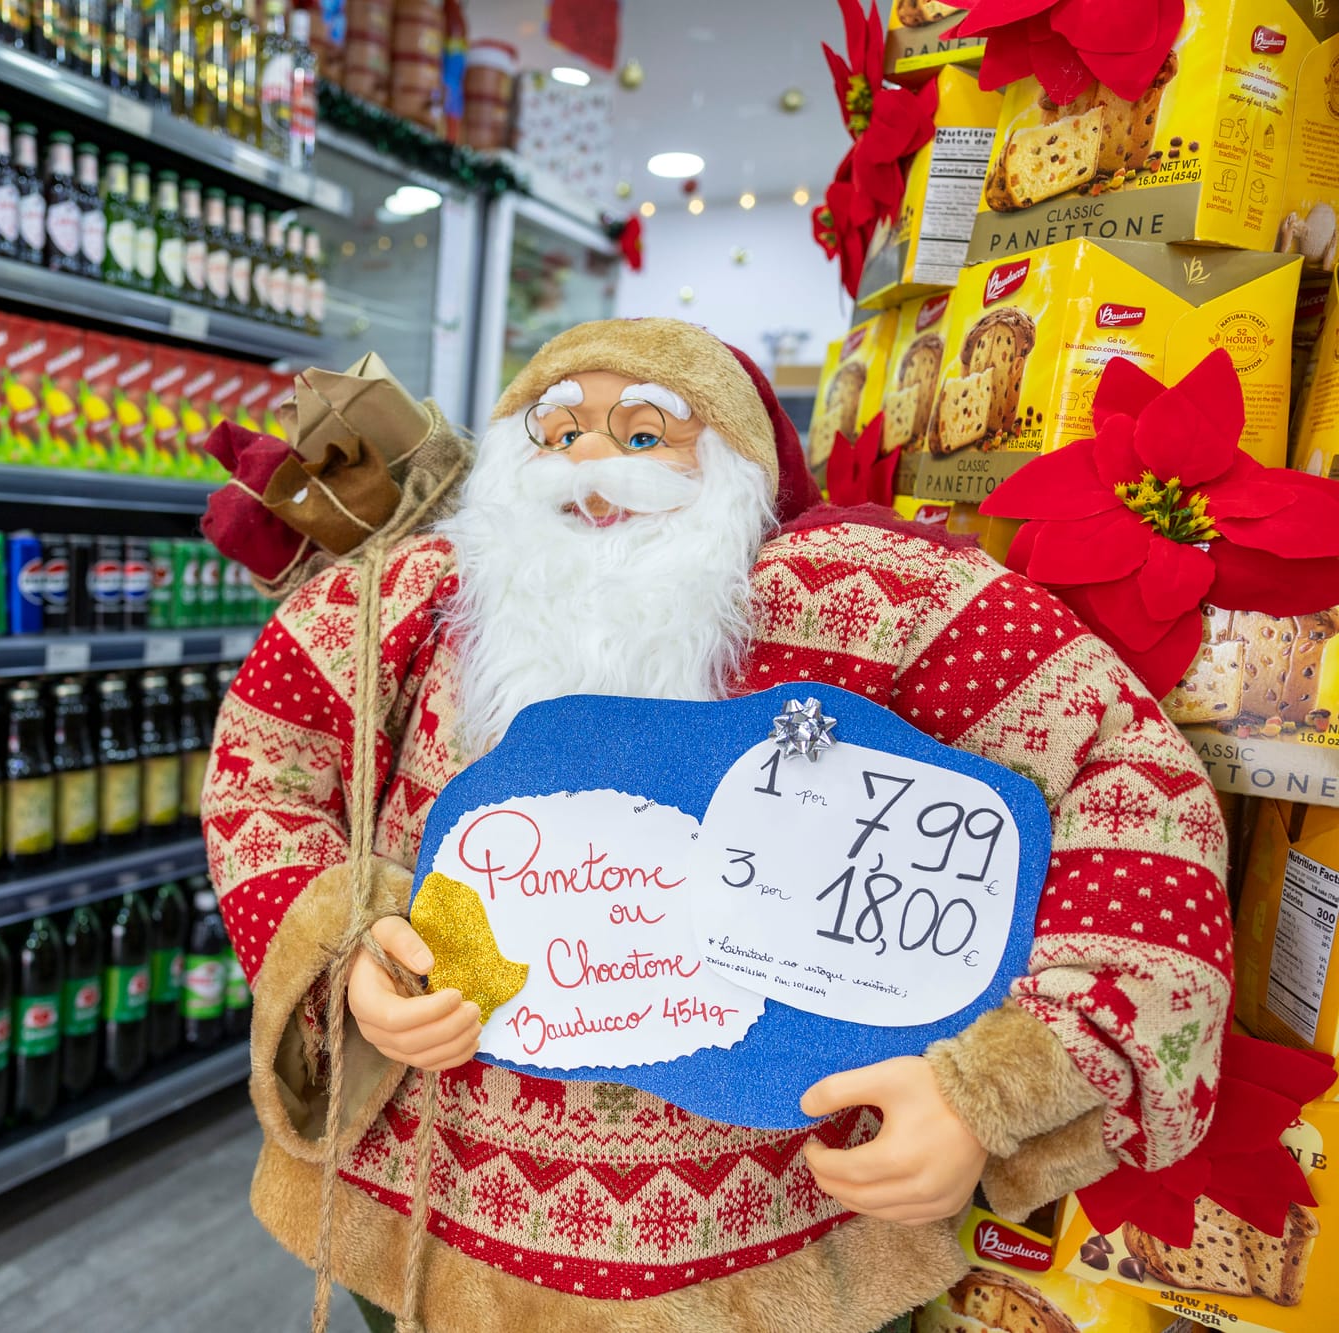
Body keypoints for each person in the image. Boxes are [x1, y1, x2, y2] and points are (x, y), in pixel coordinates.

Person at [200, 319, 1229, 1333]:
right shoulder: (413, 601)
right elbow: (265, 761)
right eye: (553, 436)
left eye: (643, 434)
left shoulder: (874, 604)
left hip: (774, 1233)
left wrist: (994, 1085)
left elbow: (1128, 785)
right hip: (429, 1224)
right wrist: (344, 943)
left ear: (737, 461)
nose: (590, 465)